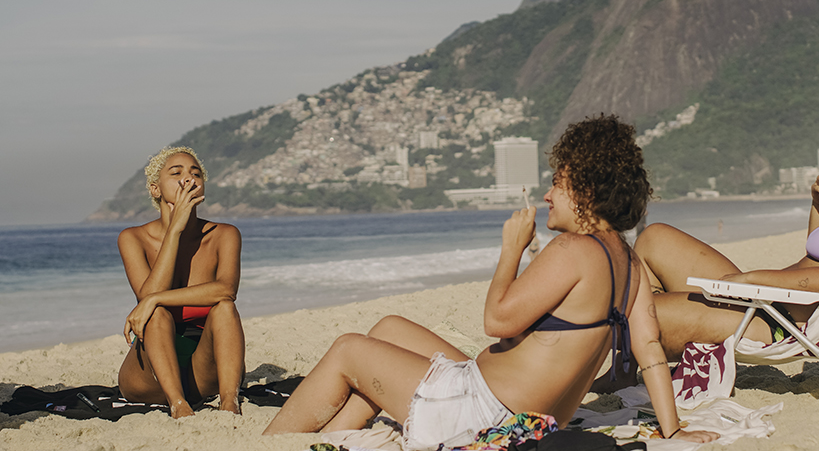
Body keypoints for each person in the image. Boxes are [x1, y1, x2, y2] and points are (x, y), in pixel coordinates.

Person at [263, 115, 718, 447]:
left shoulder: (572, 251)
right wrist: (672, 428)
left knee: (348, 347)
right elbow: (651, 352)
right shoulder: (629, 264)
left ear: (583, 189)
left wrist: (511, 249)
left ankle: (272, 440)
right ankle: (338, 433)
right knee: (387, 329)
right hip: (523, 412)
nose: (546, 194)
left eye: (557, 183)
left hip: (483, 413)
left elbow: (497, 320)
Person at [635, 109, 819, 360]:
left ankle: (631, 363)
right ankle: (627, 370)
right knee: (654, 237)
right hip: (765, 305)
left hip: (776, 323)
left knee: (638, 313)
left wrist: (751, 278)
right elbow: (818, 252)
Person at [117, 146, 245, 418]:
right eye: (176, 173)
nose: (188, 179)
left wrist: (155, 299)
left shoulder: (224, 234)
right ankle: (179, 407)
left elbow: (227, 291)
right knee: (156, 315)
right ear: (155, 190)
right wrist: (175, 229)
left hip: (206, 368)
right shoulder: (133, 238)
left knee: (223, 308)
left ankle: (229, 404)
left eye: (195, 173)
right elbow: (147, 299)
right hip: (151, 373)